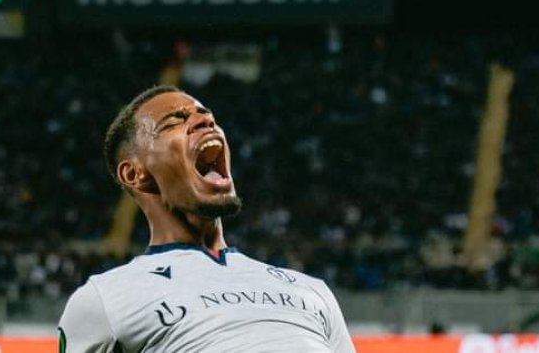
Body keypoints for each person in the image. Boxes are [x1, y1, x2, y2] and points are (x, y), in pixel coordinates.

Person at [59, 85, 356, 352]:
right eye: (174, 121)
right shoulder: (104, 300)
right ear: (134, 173)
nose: (205, 120)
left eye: (206, 114)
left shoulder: (311, 290)